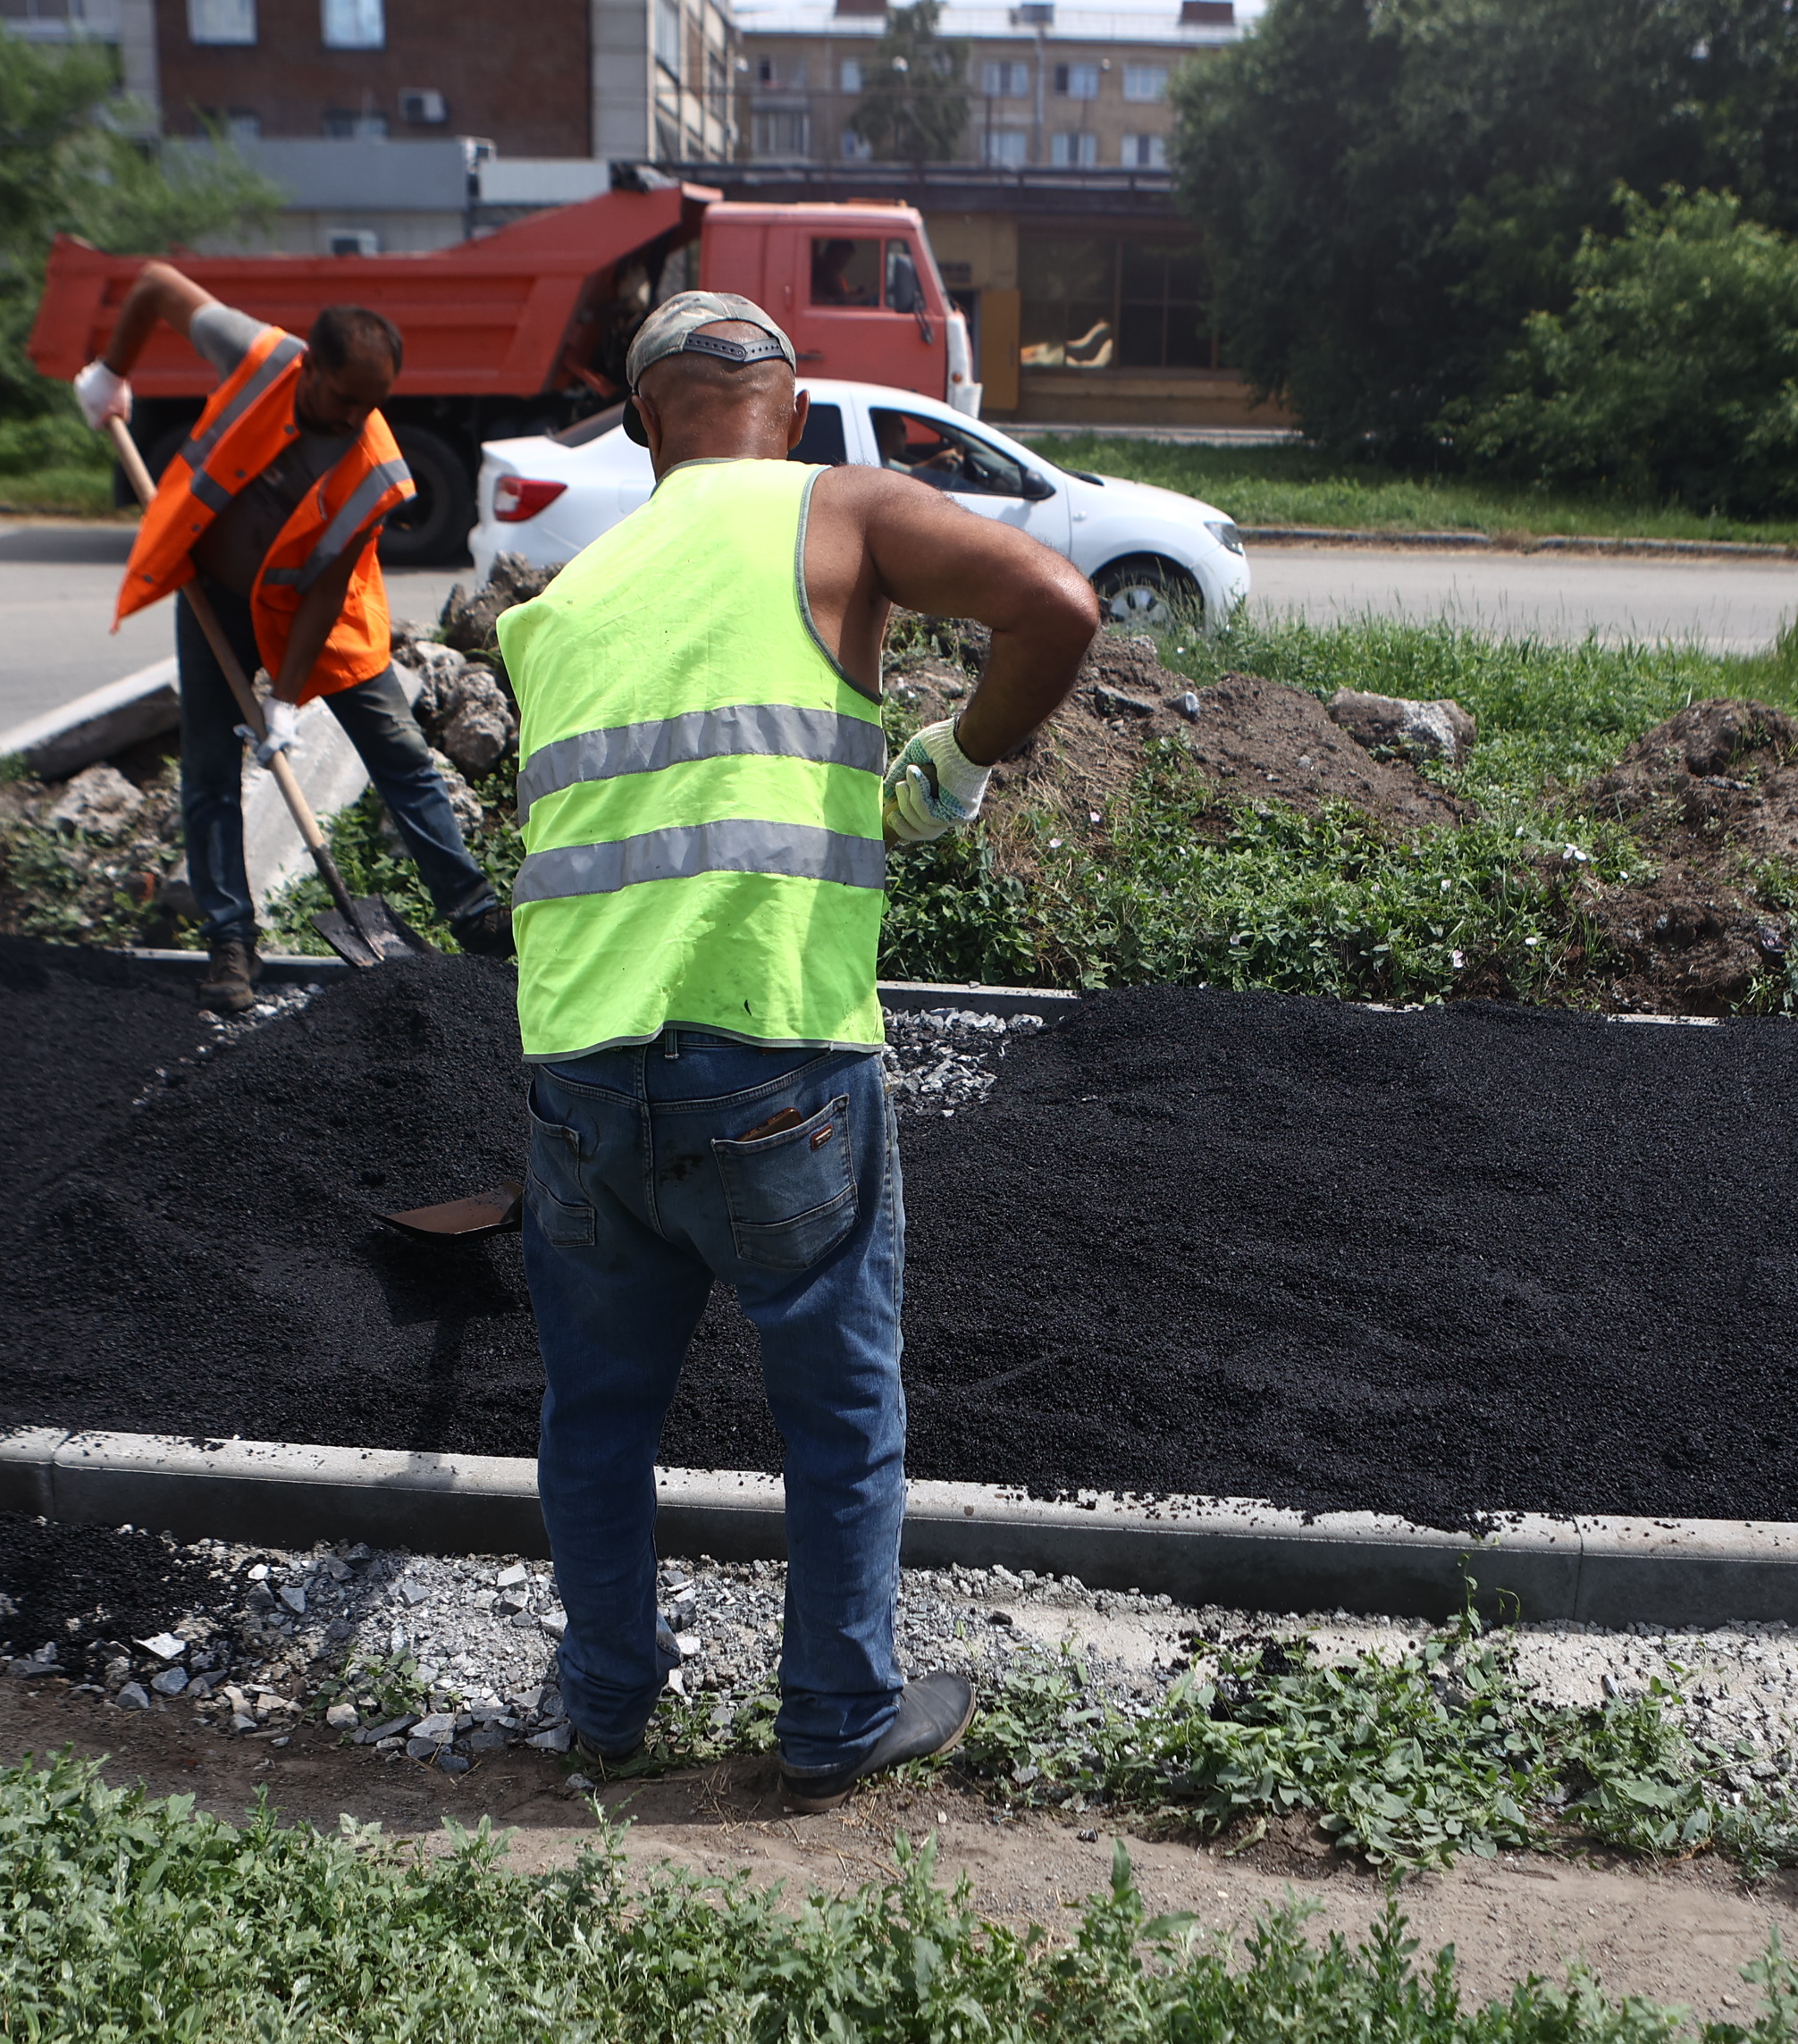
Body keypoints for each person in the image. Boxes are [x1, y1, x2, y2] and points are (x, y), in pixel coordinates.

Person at [498, 291, 1097, 1811]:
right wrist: (955, 764)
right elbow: (1054, 605)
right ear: (799, 404)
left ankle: (605, 1706)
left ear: (641, 427)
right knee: (837, 1415)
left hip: (579, 1073)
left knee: (595, 1417)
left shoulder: (561, 597)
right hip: (774, 1058)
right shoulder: (839, 506)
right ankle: (835, 1716)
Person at [73, 265, 505, 1011]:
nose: (357, 417)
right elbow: (154, 284)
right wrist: (112, 373)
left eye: (372, 403)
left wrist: (285, 700)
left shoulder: (376, 467)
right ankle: (230, 943)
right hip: (216, 602)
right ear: (309, 366)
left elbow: (328, 589)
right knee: (209, 770)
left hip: (323, 615)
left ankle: (474, 915)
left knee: (401, 755)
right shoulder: (258, 355)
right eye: (344, 398)